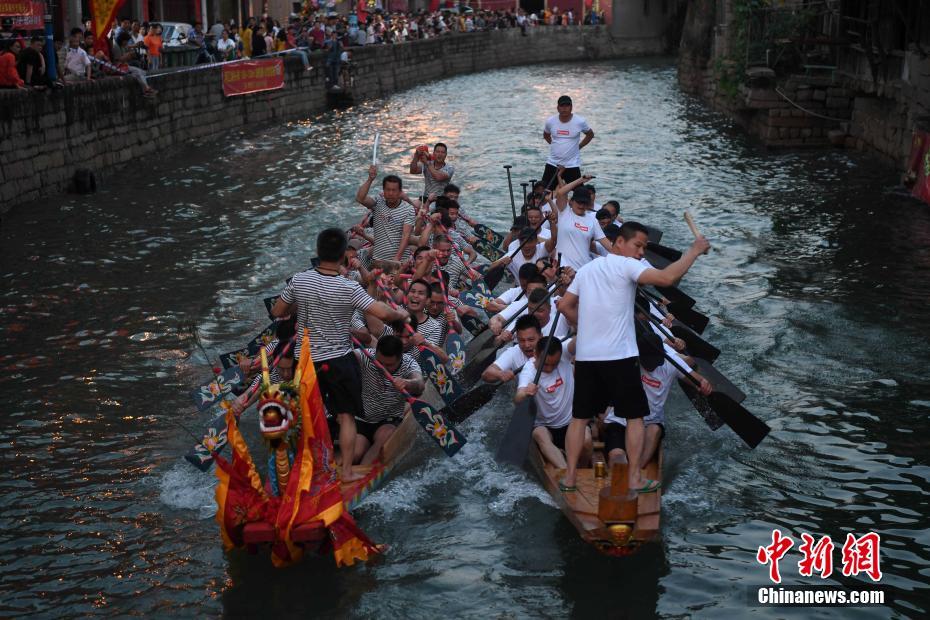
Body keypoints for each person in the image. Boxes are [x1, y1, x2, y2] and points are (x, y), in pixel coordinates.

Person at [556, 221, 711, 493]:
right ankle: (636, 478)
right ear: (618, 243)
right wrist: (694, 251)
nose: (641, 252)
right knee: (636, 418)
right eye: (637, 245)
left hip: (588, 357)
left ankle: (569, 478)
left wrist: (589, 327)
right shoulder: (627, 265)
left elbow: (565, 305)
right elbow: (667, 279)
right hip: (619, 357)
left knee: (579, 418)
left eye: (644, 247)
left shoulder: (586, 270)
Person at [271, 228, 409, 483]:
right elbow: (383, 313)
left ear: (318, 252)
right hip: (339, 361)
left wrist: (299, 300)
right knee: (346, 416)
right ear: (343, 256)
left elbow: (279, 310)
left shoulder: (299, 281)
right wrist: (401, 315)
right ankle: (345, 472)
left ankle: (304, 470)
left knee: (308, 415)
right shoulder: (349, 287)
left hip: (307, 361)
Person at [603, 332, 712, 468]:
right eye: (648, 362)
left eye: (655, 362)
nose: (652, 366)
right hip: (621, 420)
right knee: (616, 457)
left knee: (655, 430)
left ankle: (635, 472)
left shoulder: (672, 361)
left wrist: (703, 384)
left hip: (651, 422)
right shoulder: (627, 359)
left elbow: (698, 380)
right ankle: (626, 473)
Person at [515, 336, 589, 469]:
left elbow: (580, 338)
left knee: (587, 439)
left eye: (554, 364)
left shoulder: (565, 353)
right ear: (535, 354)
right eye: (546, 364)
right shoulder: (529, 371)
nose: (549, 369)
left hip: (570, 424)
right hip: (545, 427)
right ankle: (566, 471)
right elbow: (518, 397)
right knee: (539, 434)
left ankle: (582, 470)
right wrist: (526, 392)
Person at [352, 335, 424, 465]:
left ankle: (364, 475)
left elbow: (419, 384)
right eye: (380, 362)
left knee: (384, 438)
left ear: (400, 357)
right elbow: (344, 359)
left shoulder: (409, 364)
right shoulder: (366, 355)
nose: (382, 368)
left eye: (389, 365)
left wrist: (407, 383)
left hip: (387, 420)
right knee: (356, 453)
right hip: (361, 419)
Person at [545, 175, 610, 270]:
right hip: (563, 267)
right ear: (572, 201)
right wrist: (581, 180)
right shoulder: (564, 212)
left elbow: (607, 244)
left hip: (583, 268)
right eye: (579, 202)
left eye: (585, 203)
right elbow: (561, 192)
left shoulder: (593, 220)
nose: (582, 205)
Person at [355, 164, 417, 263]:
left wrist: (396, 259)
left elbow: (406, 235)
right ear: (383, 191)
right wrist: (370, 179)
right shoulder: (377, 202)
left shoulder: (408, 209)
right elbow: (360, 198)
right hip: (378, 259)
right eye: (388, 190)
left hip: (401, 261)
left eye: (394, 190)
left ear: (400, 191)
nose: (391, 193)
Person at [541, 95, 594, 188]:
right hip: (553, 163)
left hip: (572, 165)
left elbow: (590, 135)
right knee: (545, 192)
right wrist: (554, 145)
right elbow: (546, 135)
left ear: (571, 107)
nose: (564, 108)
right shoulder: (550, 121)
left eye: (567, 105)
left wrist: (579, 146)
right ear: (558, 108)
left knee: (579, 194)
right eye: (562, 106)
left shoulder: (580, 121)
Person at [482, 314, 542, 383]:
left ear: (541, 336)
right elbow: (486, 374)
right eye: (522, 340)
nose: (527, 345)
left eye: (531, 339)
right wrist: (500, 374)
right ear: (517, 339)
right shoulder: (514, 352)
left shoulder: (553, 345)